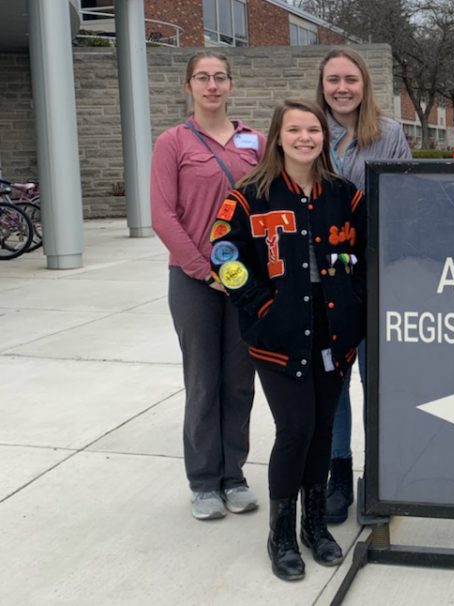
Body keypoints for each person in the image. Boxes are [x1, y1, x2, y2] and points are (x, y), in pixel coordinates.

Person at [209, 98, 366, 581]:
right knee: (294, 429)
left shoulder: (344, 194)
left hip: (333, 331)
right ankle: (280, 532)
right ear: (278, 136)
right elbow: (224, 256)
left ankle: (315, 525)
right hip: (279, 335)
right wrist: (260, 307)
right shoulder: (249, 195)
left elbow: (369, 251)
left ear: (325, 137)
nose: (305, 138)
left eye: (313, 130)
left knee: (322, 428)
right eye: (295, 130)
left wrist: (357, 302)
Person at [150, 50, 261, 521]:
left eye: (219, 78)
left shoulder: (254, 140)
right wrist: (202, 269)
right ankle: (203, 481)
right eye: (202, 78)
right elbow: (163, 215)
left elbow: (265, 203)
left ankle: (233, 475)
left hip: (244, 281)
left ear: (231, 85)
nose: (212, 85)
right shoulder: (173, 142)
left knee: (239, 382)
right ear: (188, 87)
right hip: (194, 281)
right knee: (202, 381)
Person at [315, 47, 412, 525]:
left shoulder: (389, 134)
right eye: (333, 79)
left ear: (365, 83)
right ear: (322, 84)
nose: (342, 88)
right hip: (321, 279)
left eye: (350, 79)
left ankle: (381, 475)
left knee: (379, 380)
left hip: (375, 276)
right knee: (334, 381)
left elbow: (408, 202)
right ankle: (338, 474)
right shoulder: (308, 128)